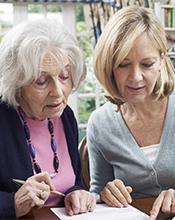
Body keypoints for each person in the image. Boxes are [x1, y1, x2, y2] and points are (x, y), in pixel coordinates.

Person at [0, 19, 96, 219]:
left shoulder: (65, 116)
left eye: (64, 76)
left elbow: (72, 180)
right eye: (41, 81)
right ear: (16, 83)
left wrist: (76, 193)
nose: (58, 93)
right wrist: (13, 203)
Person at [87, 5, 175, 220]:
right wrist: (105, 194)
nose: (136, 77)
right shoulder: (101, 123)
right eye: (124, 65)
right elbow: (96, 196)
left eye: (147, 64)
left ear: (162, 61)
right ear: (109, 66)